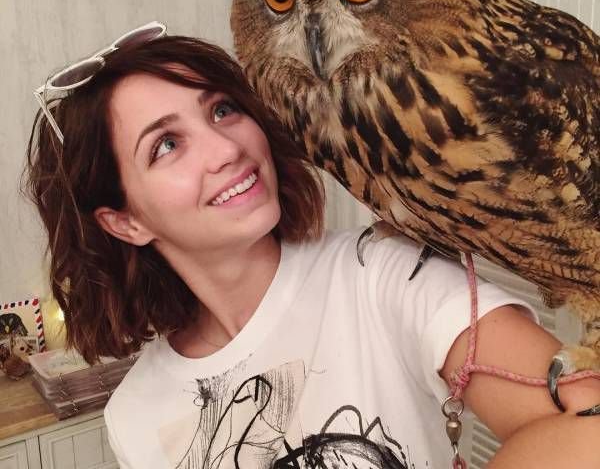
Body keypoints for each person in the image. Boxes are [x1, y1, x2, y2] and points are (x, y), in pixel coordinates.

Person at [25, 24, 600, 469]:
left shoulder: (385, 275)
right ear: (124, 222)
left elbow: (590, 425)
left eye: (222, 109)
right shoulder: (134, 416)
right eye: (167, 145)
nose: (227, 148)